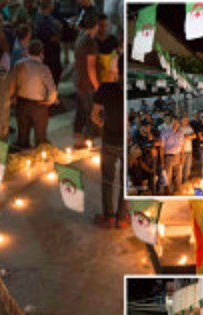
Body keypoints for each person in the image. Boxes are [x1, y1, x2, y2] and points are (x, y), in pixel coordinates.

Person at [91, 61, 125, 227]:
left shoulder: (105, 88)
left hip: (110, 140)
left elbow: (94, 116)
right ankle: (123, 217)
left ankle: (109, 216)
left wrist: (104, 124)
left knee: (108, 179)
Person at [9, 40, 58, 150]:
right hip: (39, 105)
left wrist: (11, 97)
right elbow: (52, 89)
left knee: (22, 133)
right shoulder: (43, 68)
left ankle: (23, 153)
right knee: (40, 135)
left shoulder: (19, 64)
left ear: (28, 51)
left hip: (22, 102)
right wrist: (50, 101)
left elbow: (12, 83)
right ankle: (39, 155)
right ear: (41, 53)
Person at [72, 15, 100, 148]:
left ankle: (77, 136)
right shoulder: (90, 43)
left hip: (78, 79)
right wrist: (96, 85)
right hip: (87, 82)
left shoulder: (80, 38)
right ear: (95, 26)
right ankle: (88, 140)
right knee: (90, 112)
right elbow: (91, 67)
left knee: (80, 110)